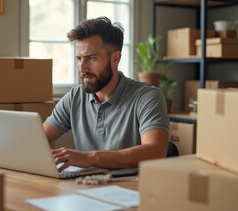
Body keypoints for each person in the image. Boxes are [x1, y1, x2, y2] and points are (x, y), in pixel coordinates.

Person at [43, 16, 170, 172]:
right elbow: (39, 139)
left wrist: (90, 158)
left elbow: (155, 152)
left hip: (131, 189)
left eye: (91, 58)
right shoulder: (74, 97)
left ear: (115, 58)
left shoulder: (147, 97)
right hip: (87, 186)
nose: (82, 68)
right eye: (79, 58)